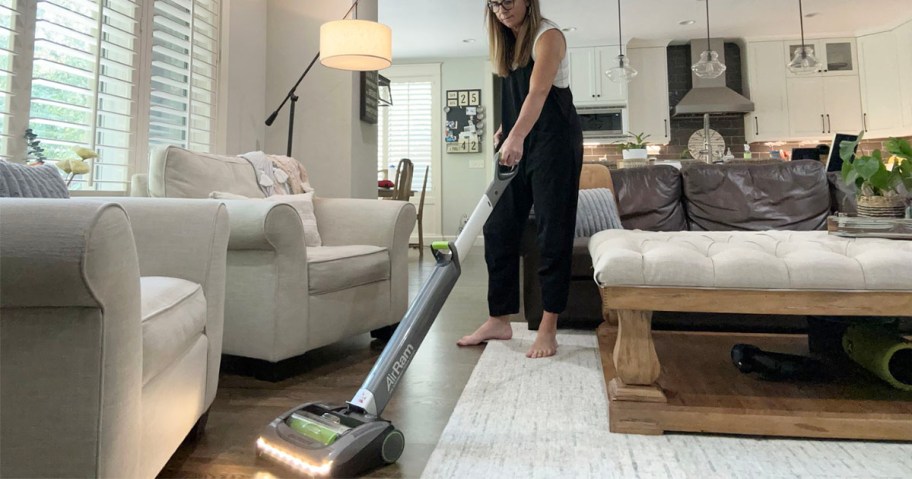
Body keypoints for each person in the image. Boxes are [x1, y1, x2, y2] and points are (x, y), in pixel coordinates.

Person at [457, 0, 583, 358]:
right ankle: (499, 318)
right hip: (526, 138)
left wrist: (515, 137)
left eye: (508, 1)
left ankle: (548, 326)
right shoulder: (508, 45)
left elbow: (539, 92)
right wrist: (506, 128)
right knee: (497, 226)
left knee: (551, 230)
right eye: (494, 4)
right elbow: (517, 97)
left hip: (556, 143)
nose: (502, 9)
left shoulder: (549, 36)